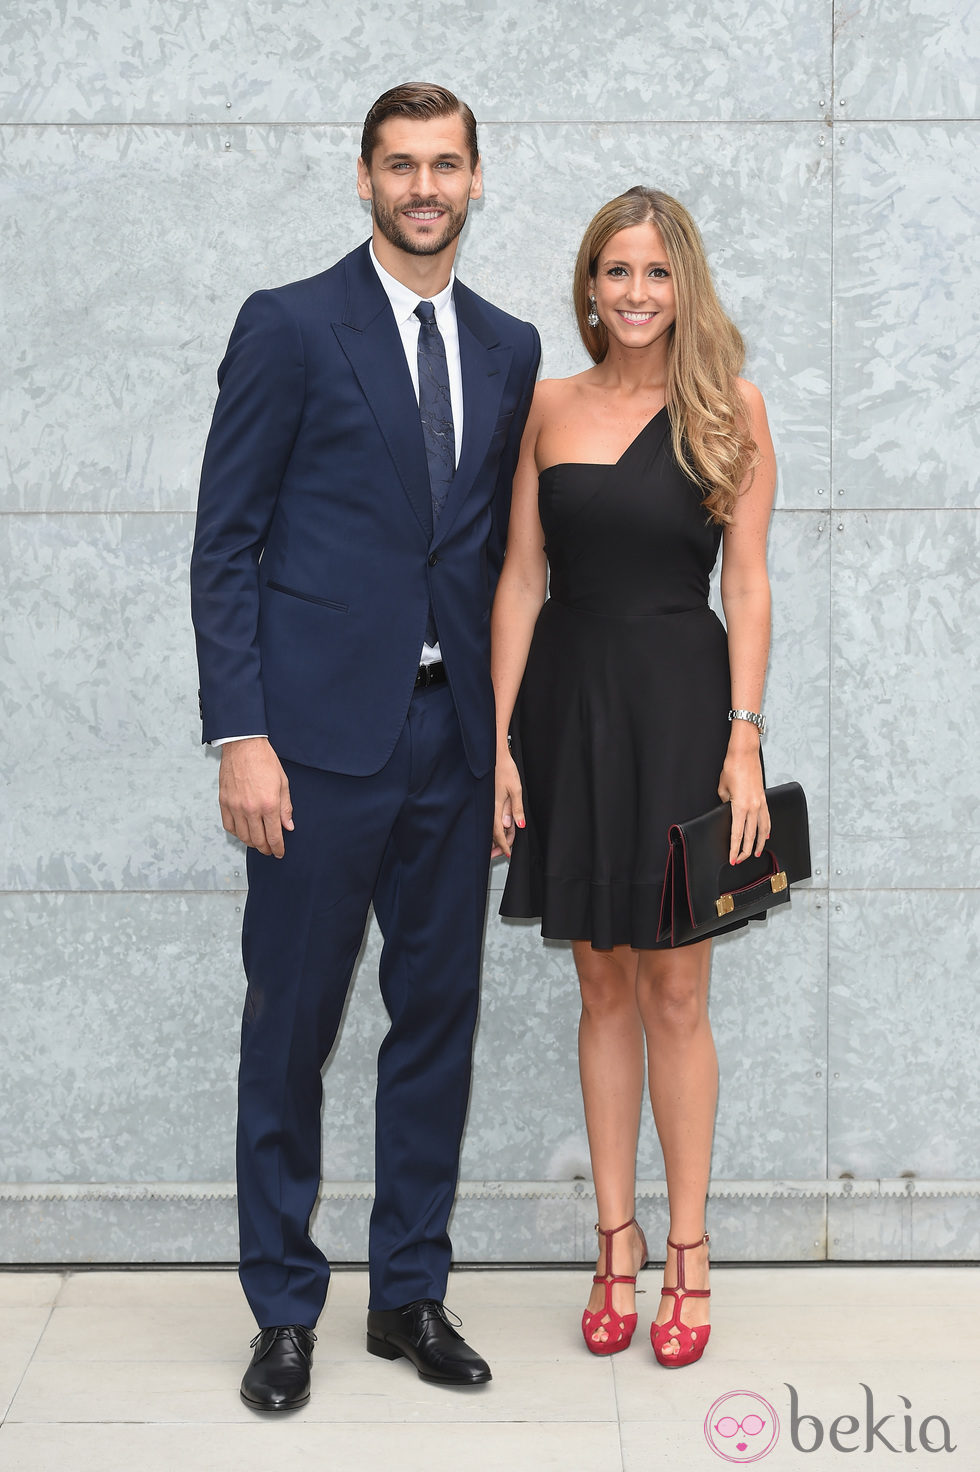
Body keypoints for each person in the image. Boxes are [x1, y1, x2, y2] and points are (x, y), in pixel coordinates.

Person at [190, 82, 539, 1410]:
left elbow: (503, 564)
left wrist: (503, 738)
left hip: (450, 743)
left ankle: (409, 1294)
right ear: (363, 179)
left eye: (445, 164)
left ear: (475, 177)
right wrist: (242, 731)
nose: (423, 186)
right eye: (400, 165)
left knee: (437, 1019)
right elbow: (224, 543)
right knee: (292, 1029)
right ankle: (285, 1309)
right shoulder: (288, 327)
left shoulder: (506, 347)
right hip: (314, 748)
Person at [491, 187, 775, 1367]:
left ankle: (689, 1252)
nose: (636, 293)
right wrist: (500, 742)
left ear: (684, 283)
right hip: (566, 708)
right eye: (615, 271)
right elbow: (517, 577)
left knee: (674, 993)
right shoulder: (546, 406)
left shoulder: (729, 406)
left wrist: (743, 737)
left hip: (679, 710)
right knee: (599, 984)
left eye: (656, 272)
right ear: (588, 285)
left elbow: (747, 584)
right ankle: (614, 1242)